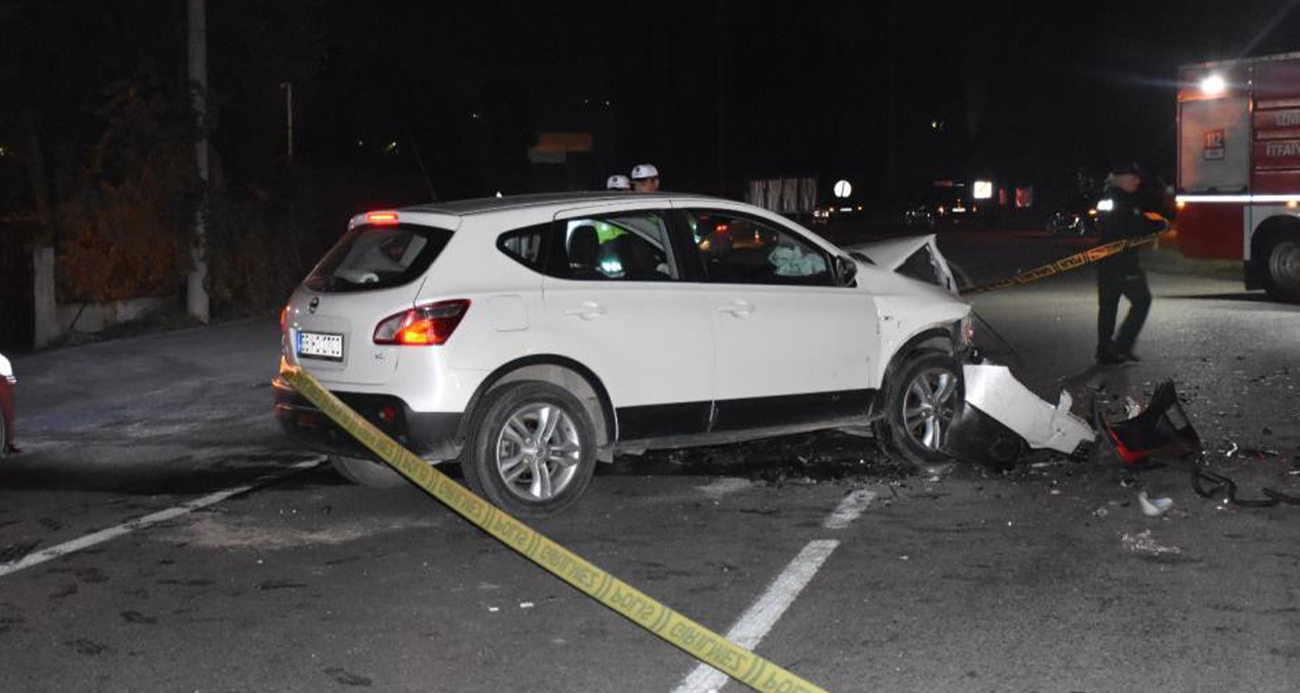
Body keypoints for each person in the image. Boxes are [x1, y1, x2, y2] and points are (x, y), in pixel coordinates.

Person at [1094, 162, 1167, 365]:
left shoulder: (1117, 198)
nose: (1138, 180)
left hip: (1111, 262)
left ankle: (1106, 350)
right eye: (1133, 177)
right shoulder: (1116, 199)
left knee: (1109, 306)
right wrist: (1157, 225)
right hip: (1121, 263)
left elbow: (1131, 221)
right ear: (1121, 178)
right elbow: (1127, 225)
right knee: (1141, 300)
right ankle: (1119, 347)